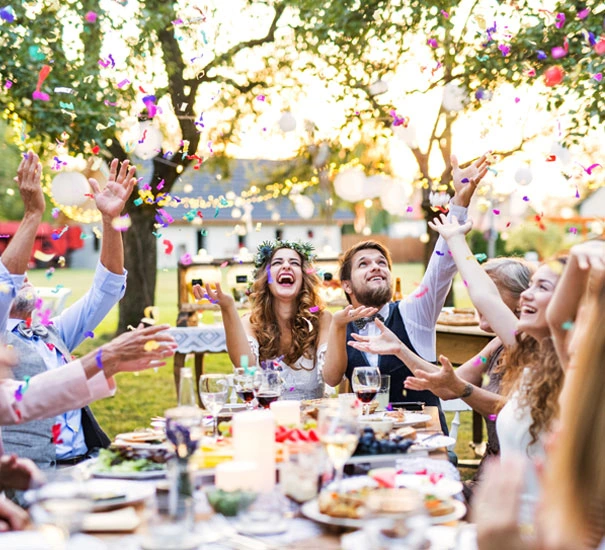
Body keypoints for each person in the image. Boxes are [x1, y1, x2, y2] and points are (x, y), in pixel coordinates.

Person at [323, 154, 489, 431]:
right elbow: (331, 379)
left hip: (424, 440)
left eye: (381, 263)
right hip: (369, 439)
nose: (376, 267)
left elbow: (442, 265)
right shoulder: (342, 325)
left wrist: (459, 202)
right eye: (363, 264)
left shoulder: (414, 313)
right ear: (347, 285)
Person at [348, 257, 533, 500]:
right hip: (490, 472)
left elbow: (513, 411)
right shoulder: (496, 345)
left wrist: (462, 389)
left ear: (522, 301)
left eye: (486, 292)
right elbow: (445, 387)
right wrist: (400, 349)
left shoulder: (537, 347)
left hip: (519, 481)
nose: (477, 300)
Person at [424, 213, 566, 525]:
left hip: (541, 530)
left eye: (541, 287)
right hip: (506, 519)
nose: (526, 295)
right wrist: (455, 238)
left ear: (569, 303)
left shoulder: (576, 367)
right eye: (529, 286)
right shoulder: (530, 348)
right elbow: (484, 294)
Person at [0, 151, 136, 470]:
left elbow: (108, 288)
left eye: (25, 277)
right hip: (34, 477)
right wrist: (33, 214)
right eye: (16, 277)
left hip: (88, 464)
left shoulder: (52, 331)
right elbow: (5, 282)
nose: (24, 280)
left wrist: (109, 220)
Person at [474, 251, 605, 550]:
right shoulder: (538, 355)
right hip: (527, 529)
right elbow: (558, 322)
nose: (525, 296)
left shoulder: (577, 377)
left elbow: (559, 322)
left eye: (542, 287)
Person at [193, 240, 332, 400]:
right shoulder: (250, 322)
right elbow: (245, 369)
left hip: (311, 422)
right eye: (277, 262)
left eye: (294, 263)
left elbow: (332, 376)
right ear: (266, 278)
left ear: (304, 277)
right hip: (265, 420)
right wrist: (228, 307)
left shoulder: (322, 319)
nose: (286, 266)